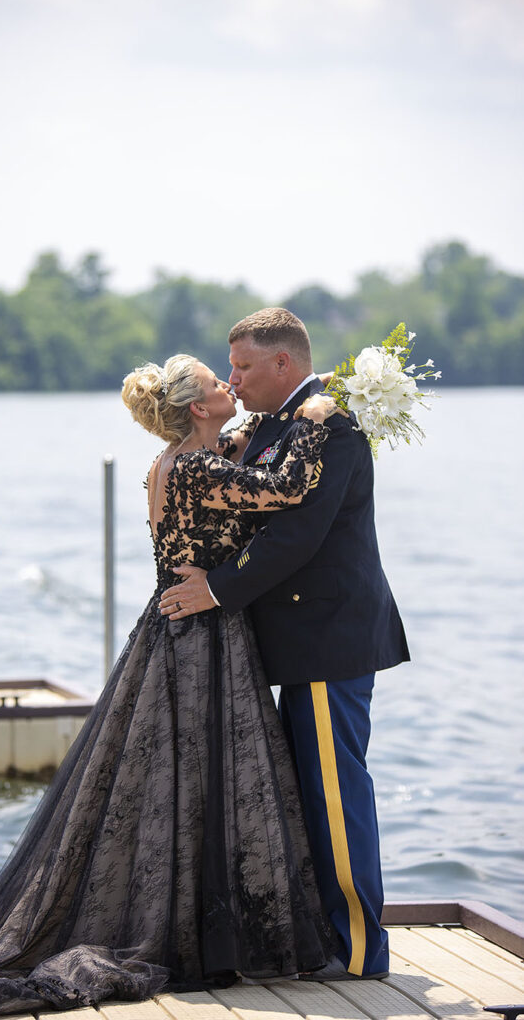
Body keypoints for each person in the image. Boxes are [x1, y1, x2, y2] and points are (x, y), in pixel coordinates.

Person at [0, 354, 343, 1020]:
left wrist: (263, 424)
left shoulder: (175, 461)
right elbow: (284, 489)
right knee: (198, 781)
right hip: (203, 640)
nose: (230, 387)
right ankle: (200, 926)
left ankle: (197, 917)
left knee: (175, 785)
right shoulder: (196, 467)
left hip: (172, 631)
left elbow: (239, 452)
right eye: (218, 382)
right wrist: (315, 416)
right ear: (197, 407)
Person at [160, 309, 410, 981]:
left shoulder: (331, 424)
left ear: (283, 365)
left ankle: (357, 952)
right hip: (290, 641)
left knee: (333, 793)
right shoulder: (273, 426)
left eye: (242, 366)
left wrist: (214, 590)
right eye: (229, 367)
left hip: (330, 639)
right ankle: (313, 937)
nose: (234, 379)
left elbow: (298, 536)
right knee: (301, 793)